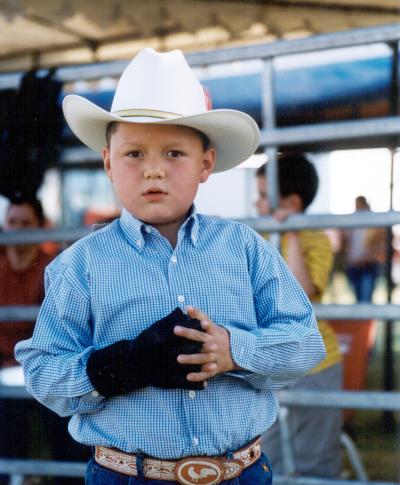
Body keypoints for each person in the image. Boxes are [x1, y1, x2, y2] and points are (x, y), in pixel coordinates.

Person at [15, 48, 326, 485]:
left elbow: (306, 343)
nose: (153, 171)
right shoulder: (80, 266)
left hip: (240, 472)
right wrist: (125, 366)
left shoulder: (245, 249)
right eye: (134, 154)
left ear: (205, 164)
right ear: (108, 162)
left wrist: (233, 351)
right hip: (127, 474)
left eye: (174, 153)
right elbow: (42, 369)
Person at [256, 155, 343, 478]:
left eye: (264, 195)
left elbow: (301, 292)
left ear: (291, 202)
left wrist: (291, 233)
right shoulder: (258, 238)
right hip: (271, 361)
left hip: (316, 365)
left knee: (315, 456)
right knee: (267, 451)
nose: (256, 202)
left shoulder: (314, 239)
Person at [0, 196, 89, 485]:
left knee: (63, 414)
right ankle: (16, 475)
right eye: (13, 223)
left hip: (44, 368)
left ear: (41, 226)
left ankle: (67, 478)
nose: (19, 230)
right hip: (4, 367)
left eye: (26, 223)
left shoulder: (54, 269)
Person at [343, 195, 385, 302]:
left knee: (364, 300)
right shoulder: (353, 221)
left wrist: (369, 256)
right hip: (355, 264)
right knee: (360, 299)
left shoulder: (372, 220)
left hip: (367, 265)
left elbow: (379, 242)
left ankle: (365, 319)